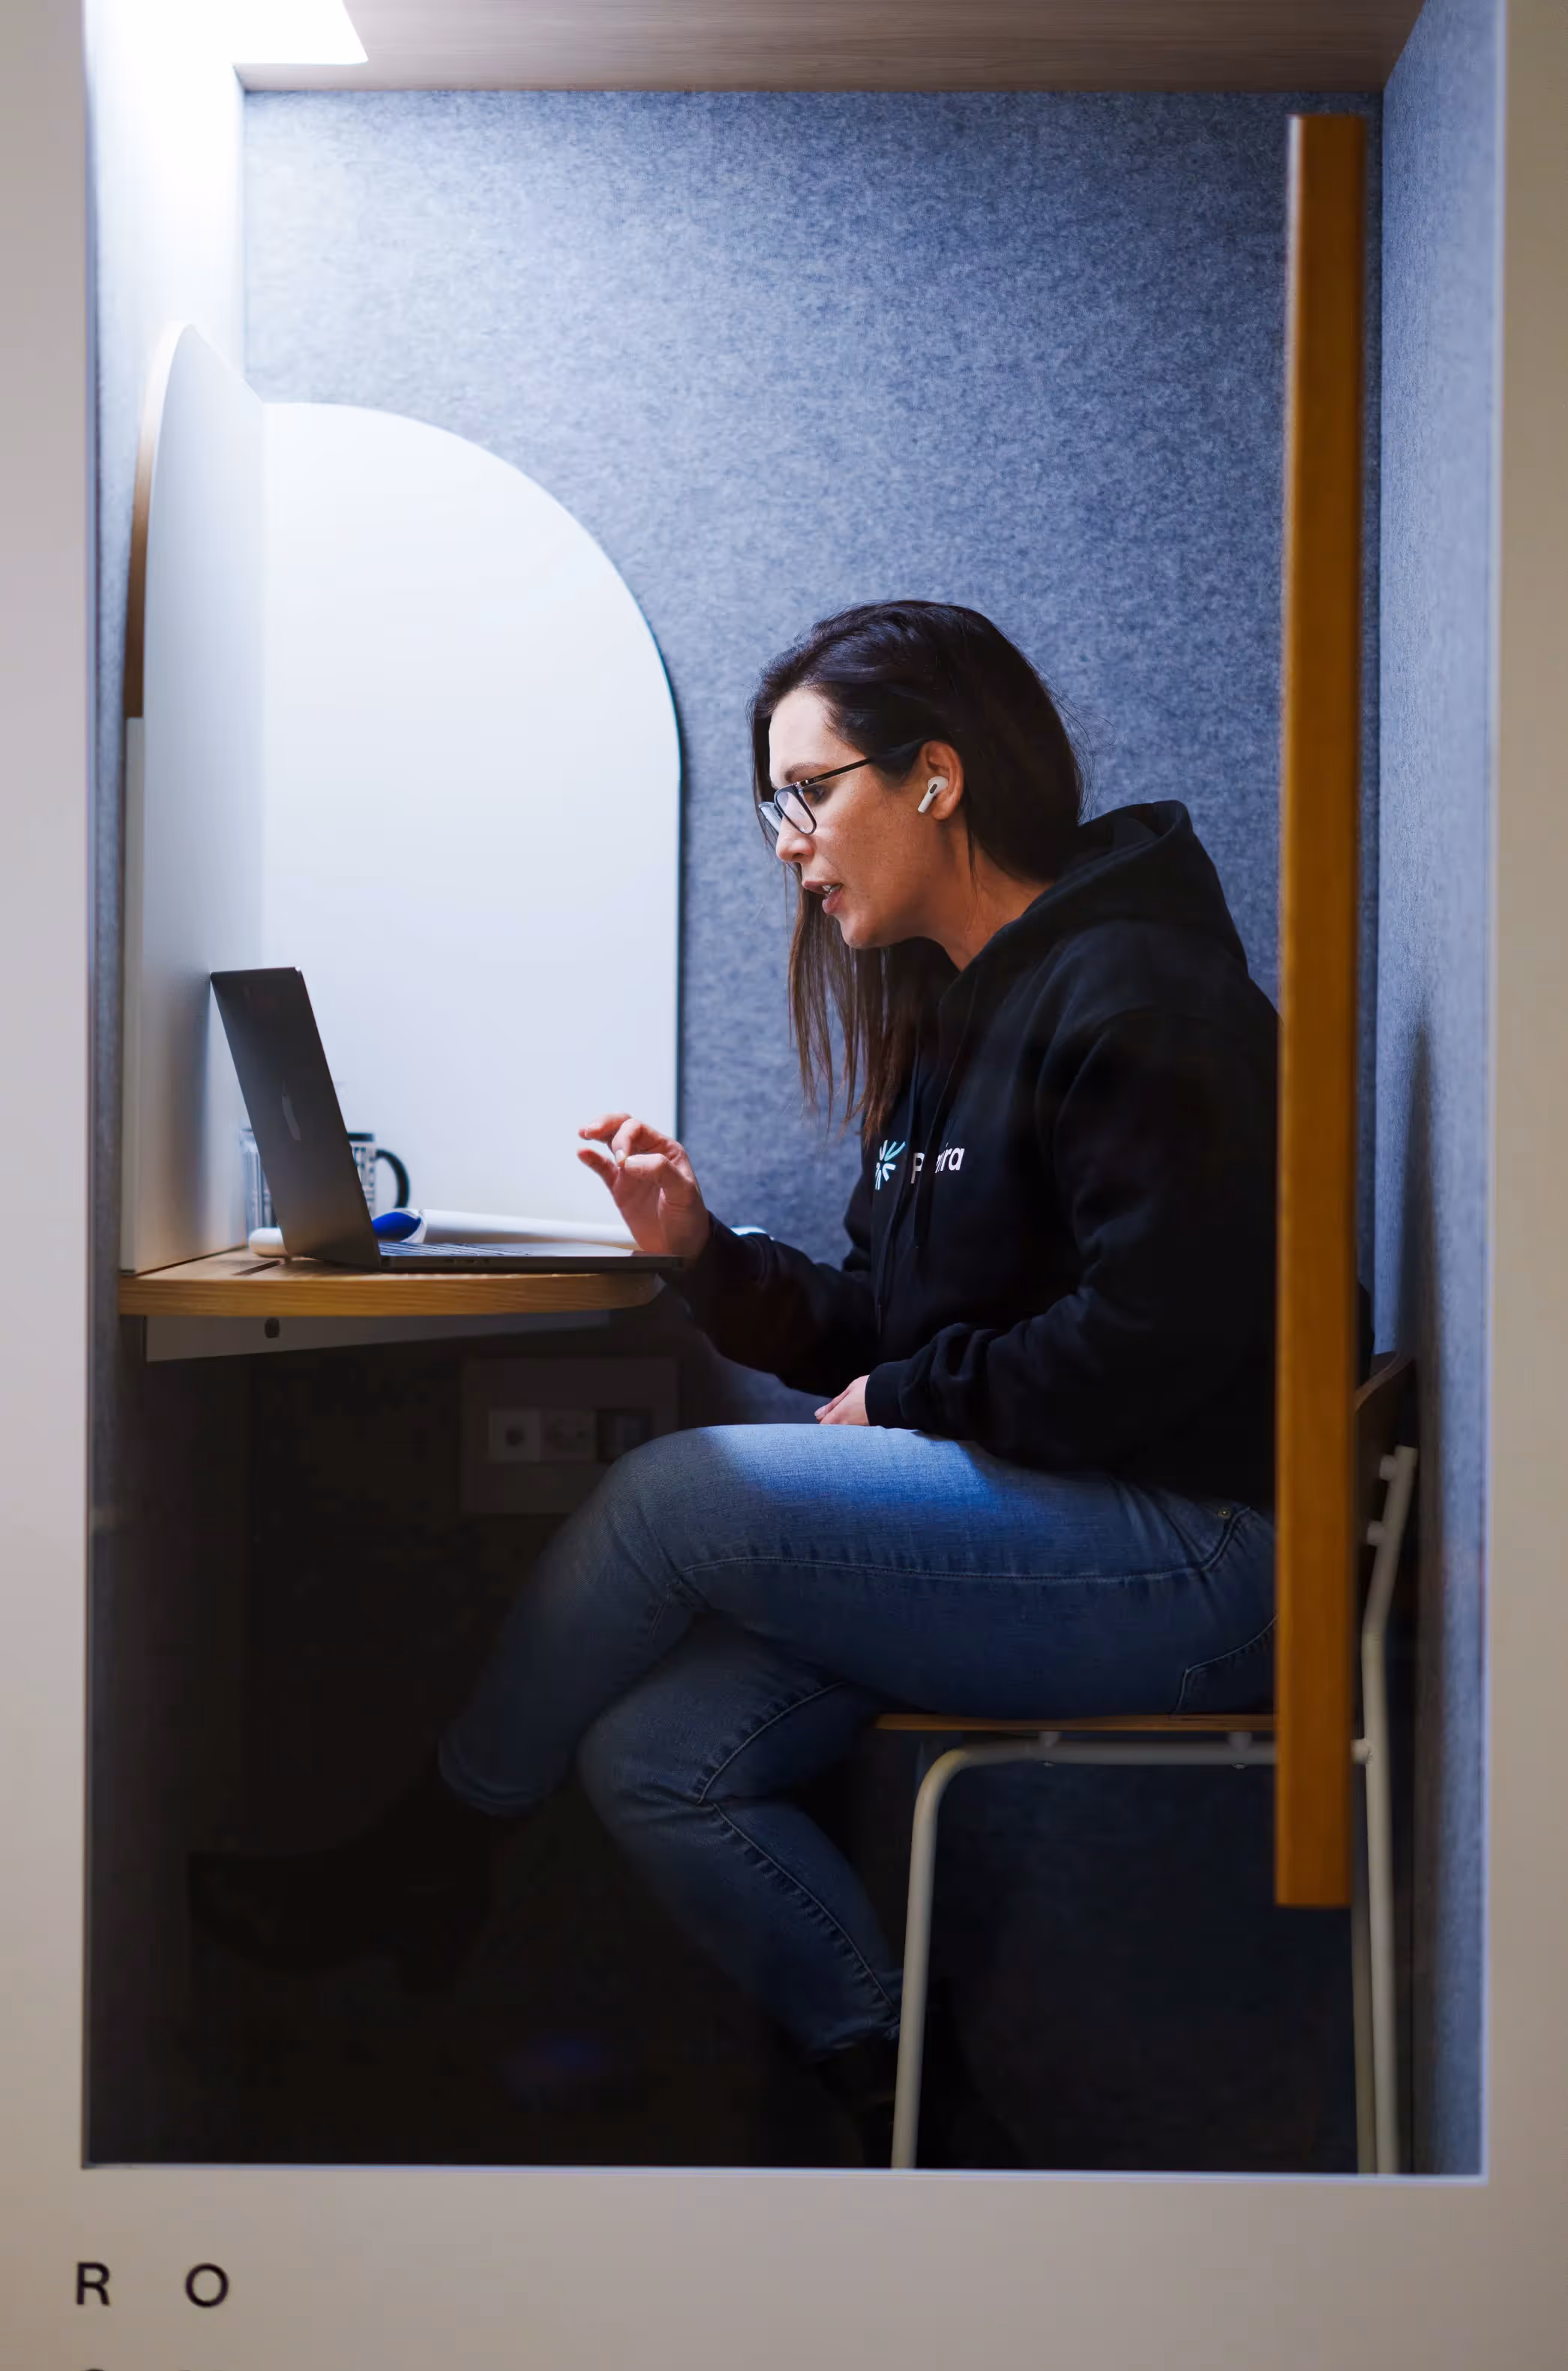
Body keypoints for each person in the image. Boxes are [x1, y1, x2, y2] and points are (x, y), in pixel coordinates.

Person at [192, 599, 1281, 2168]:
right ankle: (924, 2123)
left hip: (1200, 1555)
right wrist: (704, 1255)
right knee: (656, 1760)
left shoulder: (1140, 993)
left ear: (935, 778)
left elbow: (1162, 1334)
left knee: (672, 1494)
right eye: (777, 805)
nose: (787, 844)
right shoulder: (956, 1015)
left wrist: (912, 1401)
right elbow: (889, 1325)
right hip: (1055, 1522)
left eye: (808, 793)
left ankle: (430, 1851)